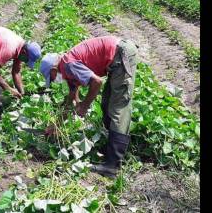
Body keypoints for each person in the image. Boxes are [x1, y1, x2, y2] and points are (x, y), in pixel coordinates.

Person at [40, 36, 139, 178]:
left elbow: (97, 82)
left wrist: (85, 106)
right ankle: (111, 150)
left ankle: (112, 166)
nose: (54, 80)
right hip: (115, 58)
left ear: (54, 68)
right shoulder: (68, 72)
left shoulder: (68, 65)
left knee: (118, 107)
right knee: (106, 103)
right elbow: (71, 101)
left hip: (121, 54)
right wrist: (56, 125)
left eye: (52, 77)